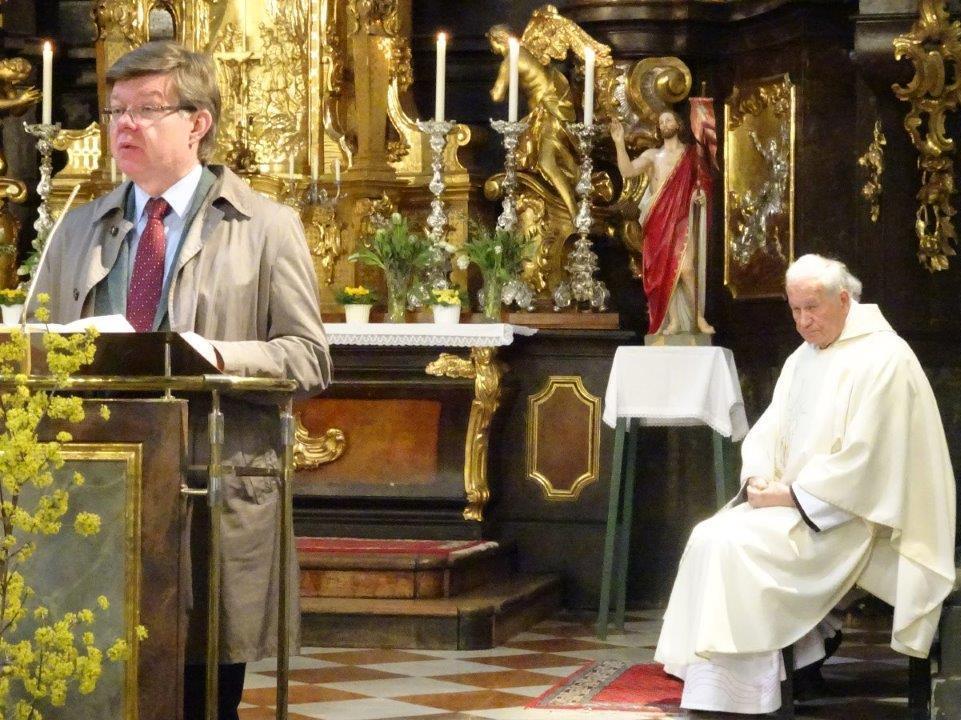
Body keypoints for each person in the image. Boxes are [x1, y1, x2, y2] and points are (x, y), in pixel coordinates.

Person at [32, 41, 331, 720]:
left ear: (197, 122)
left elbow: (309, 358)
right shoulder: (77, 228)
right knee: (97, 679)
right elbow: (37, 348)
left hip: (208, 476)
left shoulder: (265, 227)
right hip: (96, 485)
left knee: (200, 683)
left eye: (146, 110)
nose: (124, 125)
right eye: (115, 111)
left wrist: (215, 355)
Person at [654, 254, 956, 714]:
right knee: (708, 534)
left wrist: (792, 496)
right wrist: (758, 475)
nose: (802, 321)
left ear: (844, 299)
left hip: (857, 521)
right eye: (794, 310)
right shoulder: (804, 358)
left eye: (812, 307)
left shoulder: (885, 359)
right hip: (803, 509)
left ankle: (754, 691)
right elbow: (769, 430)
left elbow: (870, 463)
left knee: (734, 548)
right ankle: (737, 683)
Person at [611, 110, 714, 336]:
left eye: (668, 120)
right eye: (661, 121)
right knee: (664, 271)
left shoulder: (691, 155)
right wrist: (619, 143)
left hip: (682, 218)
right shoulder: (652, 156)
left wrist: (700, 195)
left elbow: (703, 183)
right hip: (657, 220)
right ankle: (674, 320)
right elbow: (627, 171)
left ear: (678, 124)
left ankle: (698, 317)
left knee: (686, 268)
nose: (664, 124)